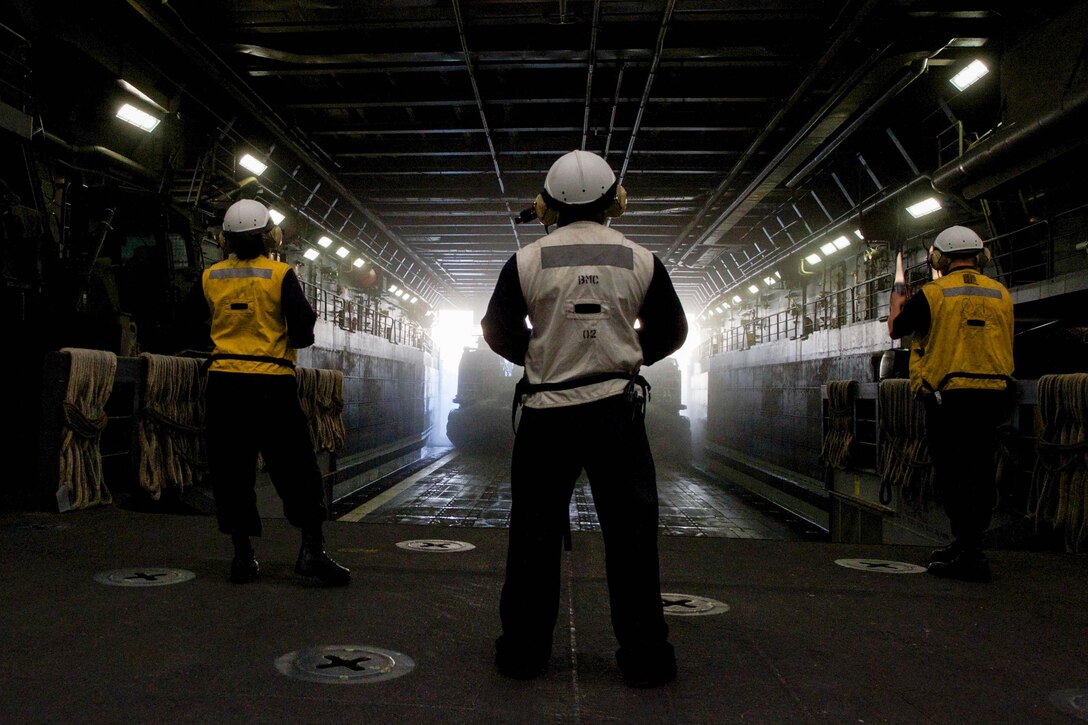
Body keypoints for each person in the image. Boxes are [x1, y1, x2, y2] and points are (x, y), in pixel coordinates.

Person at [481, 150, 688, 687]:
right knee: (632, 537)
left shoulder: (527, 260)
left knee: (533, 535)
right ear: (615, 200)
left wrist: (542, 354)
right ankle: (645, 657)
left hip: (547, 417)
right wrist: (624, 353)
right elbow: (672, 330)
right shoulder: (642, 259)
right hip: (615, 416)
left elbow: (496, 329)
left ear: (546, 204)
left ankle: (523, 653)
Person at [180, 198, 350, 586]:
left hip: (224, 386)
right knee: (296, 467)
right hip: (272, 384)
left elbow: (187, 323)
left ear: (225, 240)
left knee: (232, 471)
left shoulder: (210, 276)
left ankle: (243, 558)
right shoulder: (279, 274)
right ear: (270, 236)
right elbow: (304, 329)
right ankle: (311, 551)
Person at [888, 225, 1015, 582]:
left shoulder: (934, 293)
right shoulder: (1001, 293)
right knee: (980, 472)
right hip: (995, 395)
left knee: (954, 474)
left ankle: (969, 555)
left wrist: (898, 303)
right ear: (981, 257)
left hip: (951, 396)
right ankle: (967, 545)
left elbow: (897, 329)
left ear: (940, 259)